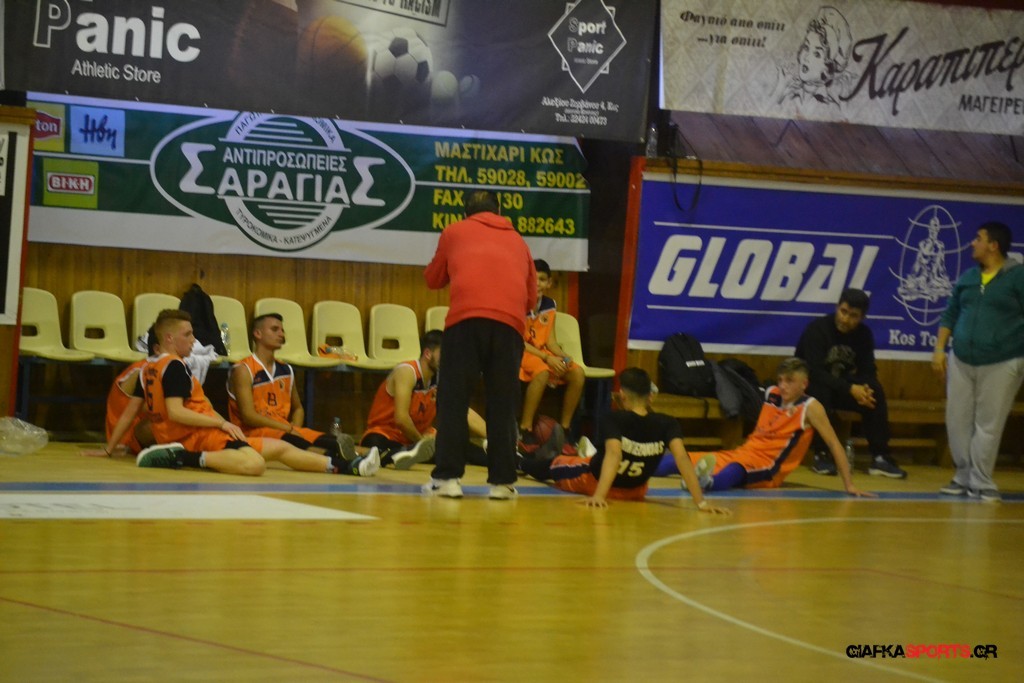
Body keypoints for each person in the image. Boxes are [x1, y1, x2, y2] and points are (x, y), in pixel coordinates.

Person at [105, 309, 379, 477]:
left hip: (192, 433)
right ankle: (180, 458)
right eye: (187, 335)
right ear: (168, 338)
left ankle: (347, 467)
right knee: (255, 465)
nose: (194, 340)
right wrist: (221, 423)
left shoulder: (148, 368)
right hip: (194, 436)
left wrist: (109, 448)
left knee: (282, 448)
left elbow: (130, 413)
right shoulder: (174, 366)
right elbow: (176, 412)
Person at [423, 189, 537, 499]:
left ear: (465, 212)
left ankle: (447, 480)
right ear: (498, 211)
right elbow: (531, 299)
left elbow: (433, 279)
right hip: (510, 327)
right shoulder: (519, 241)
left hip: (466, 321)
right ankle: (502, 484)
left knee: (453, 400)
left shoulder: (454, 232)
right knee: (503, 404)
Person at [519, 367, 729, 513]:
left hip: (593, 481)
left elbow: (614, 454)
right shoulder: (668, 422)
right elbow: (682, 458)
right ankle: (582, 453)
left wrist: (599, 496)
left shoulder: (613, 418)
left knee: (555, 464)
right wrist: (701, 503)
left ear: (622, 395)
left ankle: (519, 461)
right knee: (580, 459)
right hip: (636, 491)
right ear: (650, 396)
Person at [656, 358, 875, 497]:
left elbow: (834, 443)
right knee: (679, 459)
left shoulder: (810, 408)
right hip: (743, 453)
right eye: (781, 380)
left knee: (735, 471)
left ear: (804, 384)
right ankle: (638, 468)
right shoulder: (772, 394)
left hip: (768, 468)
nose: (783, 385)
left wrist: (849, 485)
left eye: (789, 381)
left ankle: (702, 484)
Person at [932, 221, 1024, 503]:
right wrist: (939, 349)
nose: (973, 243)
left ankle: (982, 482)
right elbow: (950, 314)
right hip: (961, 359)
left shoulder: (1018, 277)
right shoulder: (969, 277)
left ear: (993, 245)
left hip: (1003, 360)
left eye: (978, 238)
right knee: (956, 419)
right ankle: (962, 476)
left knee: (988, 423)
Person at [226, 312, 378, 469]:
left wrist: (295, 428)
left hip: (284, 428)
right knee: (297, 442)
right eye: (275, 329)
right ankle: (346, 464)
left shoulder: (286, 369)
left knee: (328, 440)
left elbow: (298, 408)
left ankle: (378, 456)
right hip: (254, 432)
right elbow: (248, 416)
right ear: (258, 334)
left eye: (282, 330)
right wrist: (289, 429)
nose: (281, 334)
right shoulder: (243, 369)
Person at [794, 288, 907, 478]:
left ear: (862, 317)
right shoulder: (817, 329)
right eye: (843, 311)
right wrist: (850, 388)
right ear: (837, 307)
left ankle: (880, 457)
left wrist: (865, 390)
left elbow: (868, 370)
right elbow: (813, 372)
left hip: (841, 387)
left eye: (853, 315)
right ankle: (821, 455)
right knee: (820, 390)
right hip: (810, 388)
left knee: (875, 392)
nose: (845, 319)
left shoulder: (863, 334)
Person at [360, 329, 489, 469]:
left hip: (417, 439)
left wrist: (492, 436)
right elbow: (401, 419)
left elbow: (462, 411)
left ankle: (500, 458)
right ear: (428, 354)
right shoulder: (407, 372)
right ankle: (398, 454)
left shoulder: (441, 377)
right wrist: (421, 443)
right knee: (375, 445)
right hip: (386, 434)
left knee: (460, 446)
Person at [518, 259, 586, 443]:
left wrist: (563, 356)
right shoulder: (518, 302)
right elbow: (518, 341)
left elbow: (550, 341)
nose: (537, 283)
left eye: (542, 279)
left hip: (542, 353)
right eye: (533, 279)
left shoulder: (549, 304)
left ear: (549, 283)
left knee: (577, 373)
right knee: (542, 372)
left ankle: (564, 429)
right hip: (521, 352)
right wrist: (547, 359)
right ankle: (525, 428)